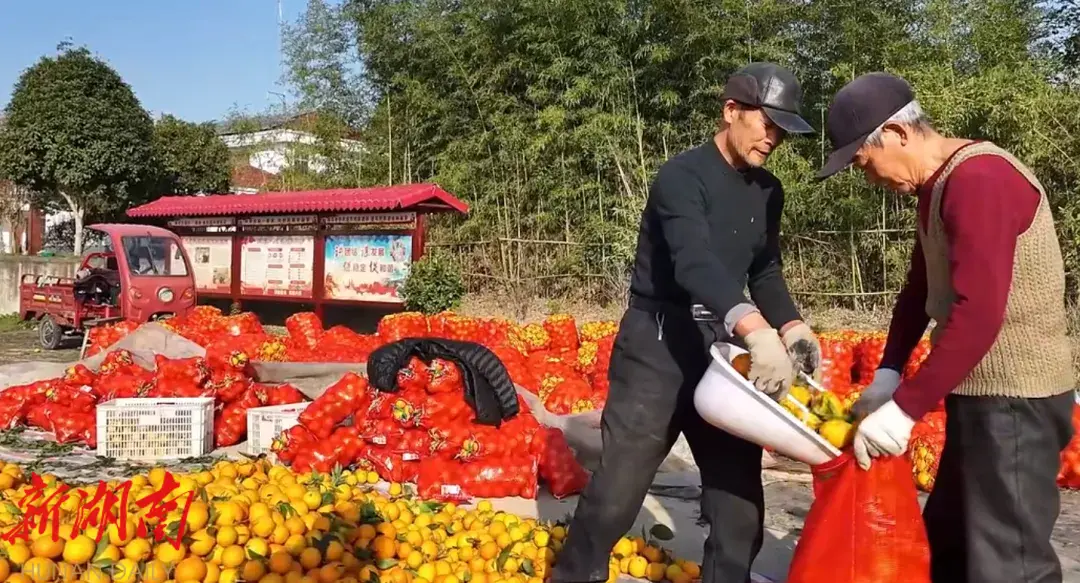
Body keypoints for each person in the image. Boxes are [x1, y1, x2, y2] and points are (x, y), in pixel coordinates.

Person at [551, 62, 820, 583]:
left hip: (721, 351)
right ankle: (575, 574)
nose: (774, 139)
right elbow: (692, 262)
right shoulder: (682, 177)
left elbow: (764, 270)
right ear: (732, 111)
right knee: (617, 491)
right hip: (658, 345)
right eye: (767, 124)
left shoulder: (768, 191)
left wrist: (792, 327)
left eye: (783, 131)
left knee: (738, 505)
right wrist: (755, 327)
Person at [817, 72, 1076, 583]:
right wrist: (889, 372)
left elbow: (979, 314)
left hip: (1016, 401)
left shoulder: (981, 180)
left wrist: (905, 410)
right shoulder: (935, 187)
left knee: (1008, 561)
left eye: (864, 163)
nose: (870, 179)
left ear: (896, 134)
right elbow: (920, 288)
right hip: (978, 394)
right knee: (951, 544)